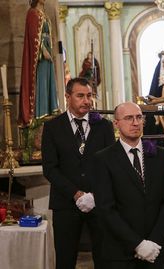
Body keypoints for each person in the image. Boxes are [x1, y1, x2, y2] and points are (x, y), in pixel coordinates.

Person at [41, 77, 115, 269]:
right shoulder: (52, 127)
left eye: (89, 95)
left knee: (105, 258)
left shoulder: (104, 126)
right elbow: (50, 168)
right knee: (65, 260)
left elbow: (112, 166)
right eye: (80, 96)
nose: (86, 101)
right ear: (68, 97)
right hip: (65, 204)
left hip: (99, 203)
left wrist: (95, 195)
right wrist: (75, 193)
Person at [93, 102, 164, 268]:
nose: (136, 122)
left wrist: (153, 242)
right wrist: (138, 244)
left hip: (155, 251)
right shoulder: (103, 159)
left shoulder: (160, 155)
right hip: (120, 253)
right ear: (116, 123)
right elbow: (106, 209)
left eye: (139, 117)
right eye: (129, 118)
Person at [19, 0, 59, 126]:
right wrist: (43, 50)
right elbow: (33, 36)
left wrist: (50, 49)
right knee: (41, 80)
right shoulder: (32, 13)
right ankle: (40, 113)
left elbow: (48, 34)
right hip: (40, 56)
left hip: (48, 50)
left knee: (49, 80)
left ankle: (49, 110)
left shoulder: (44, 14)